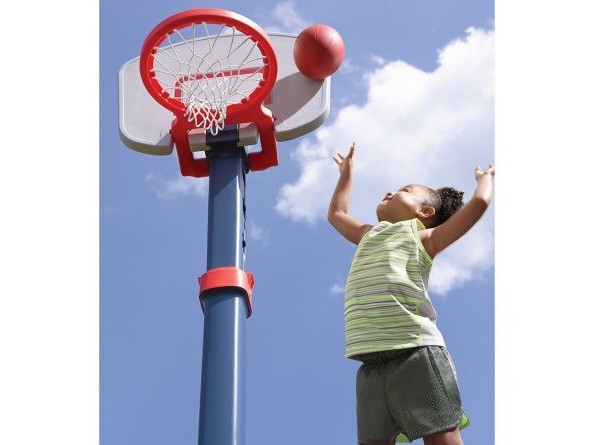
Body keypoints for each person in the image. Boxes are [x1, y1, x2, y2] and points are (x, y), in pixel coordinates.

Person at [327, 142, 495, 445]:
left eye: (404, 190)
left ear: (425, 211)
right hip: (370, 365)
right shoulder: (368, 235)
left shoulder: (425, 238)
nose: (390, 191)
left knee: (440, 436)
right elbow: (337, 213)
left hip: (416, 352)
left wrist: (485, 180)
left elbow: (479, 204)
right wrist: (346, 174)